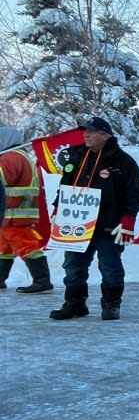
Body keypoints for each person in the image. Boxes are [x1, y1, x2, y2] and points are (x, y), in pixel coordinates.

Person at [49, 116, 139, 322]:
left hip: (108, 223)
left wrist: (128, 220)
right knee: (73, 265)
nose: (86, 135)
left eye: (91, 131)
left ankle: (111, 304)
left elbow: (135, 192)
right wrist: (58, 208)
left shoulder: (123, 161)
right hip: (76, 223)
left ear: (105, 135)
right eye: (85, 131)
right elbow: (65, 185)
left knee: (109, 265)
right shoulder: (76, 156)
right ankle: (75, 304)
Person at [0, 126, 53, 294]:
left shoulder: (11, 157)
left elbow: (2, 179)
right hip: (14, 213)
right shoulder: (21, 155)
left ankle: (42, 281)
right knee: (5, 247)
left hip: (14, 213)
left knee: (26, 246)